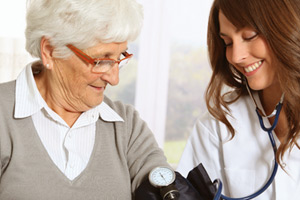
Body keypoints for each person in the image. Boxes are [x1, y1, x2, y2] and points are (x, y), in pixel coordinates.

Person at [0, 0, 170, 199]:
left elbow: (166, 187)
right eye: (101, 60)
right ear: (50, 50)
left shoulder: (126, 126)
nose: (114, 79)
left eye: (120, 57)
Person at [177, 0, 300, 199]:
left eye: (249, 36)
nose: (236, 56)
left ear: (286, 28)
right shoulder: (217, 125)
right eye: (228, 42)